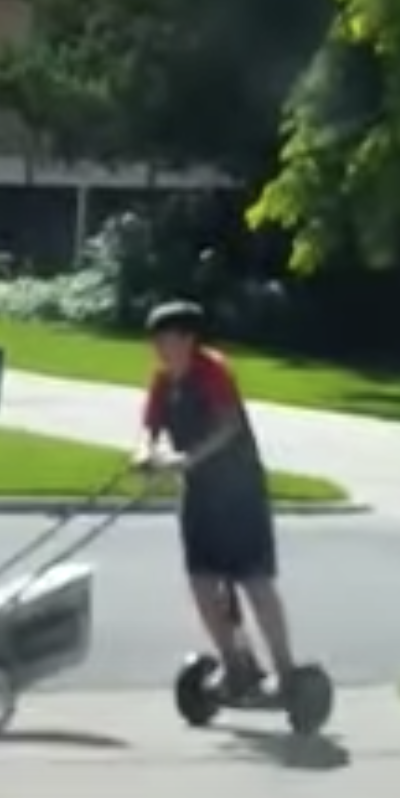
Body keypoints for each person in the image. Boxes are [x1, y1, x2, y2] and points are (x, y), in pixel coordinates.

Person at [131, 300, 300, 701]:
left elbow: (228, 427)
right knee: (202, 581)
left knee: (254, 580)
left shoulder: (213, 371)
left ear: (188, 340)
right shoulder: (163, 380)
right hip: (200, 494)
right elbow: (149, 427)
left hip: (238, 491)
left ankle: (286, 672)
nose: (158, 348)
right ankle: (235, 664)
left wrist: (186, 459)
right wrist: (143, 453)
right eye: (155, 341)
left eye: (166, 339)